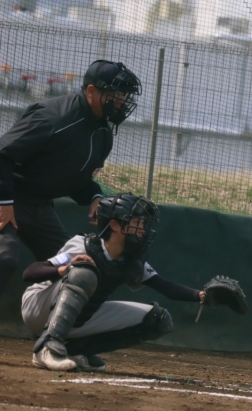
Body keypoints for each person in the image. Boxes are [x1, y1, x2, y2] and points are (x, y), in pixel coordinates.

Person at [0, 60, 142, 298]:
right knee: (4, 258)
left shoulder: (103, 133)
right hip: (8, 196)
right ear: (91, 91)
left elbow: (75, 179)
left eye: (124, 96)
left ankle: (56, 319)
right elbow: (3, 153)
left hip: (39, 206)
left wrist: (94, 196)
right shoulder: (53, 117)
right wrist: (4, 202)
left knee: (78, 266)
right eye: (115, 94)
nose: (121, 101)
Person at [21, 193, 206, 372]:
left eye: (143, 223)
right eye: (137, 223)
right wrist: (64, 269)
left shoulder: (131, 259)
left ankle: (76, 352)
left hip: (79, 318)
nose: (142, 229)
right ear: (115, 225)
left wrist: (202, 296)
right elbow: (30, 272)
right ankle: (47, 347)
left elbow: (167, 288)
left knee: (158, 320)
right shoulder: (83, 245)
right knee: (83, 272)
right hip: (38, 307)